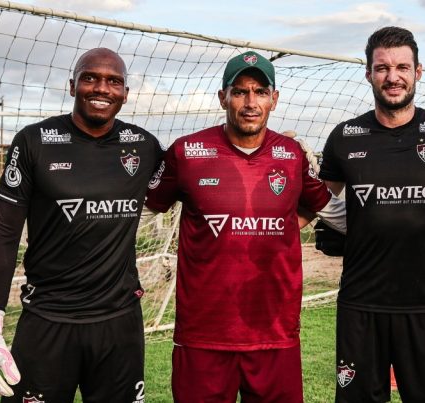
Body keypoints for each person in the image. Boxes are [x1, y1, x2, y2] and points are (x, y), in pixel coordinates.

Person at [145, 50, 341, 403]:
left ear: (274, 99)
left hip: (275, 335)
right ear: (223, 97)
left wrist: (398, 224)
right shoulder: (186, 152)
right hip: (202, 337)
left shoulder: (292, 154)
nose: (251, 102)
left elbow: (332, 211)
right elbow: (143, 212)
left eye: (260, 92)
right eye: (240, 91)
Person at [0, 48, 163, 402]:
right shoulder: (34, 141)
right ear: (73, 85)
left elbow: (191, 186)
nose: (101, 88)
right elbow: (3, 232)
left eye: (114, 81)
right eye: (90, 78)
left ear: (125, 93)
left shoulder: (143, 146)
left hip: (118, 323)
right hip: (47, 319)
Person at [318, 26, 425, 402]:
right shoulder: (344, 137)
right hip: (361, 302)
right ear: (369, 73)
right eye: (382, 68)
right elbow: (320, 202)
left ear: (418, 72)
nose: (393, 76)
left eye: (402, 67)